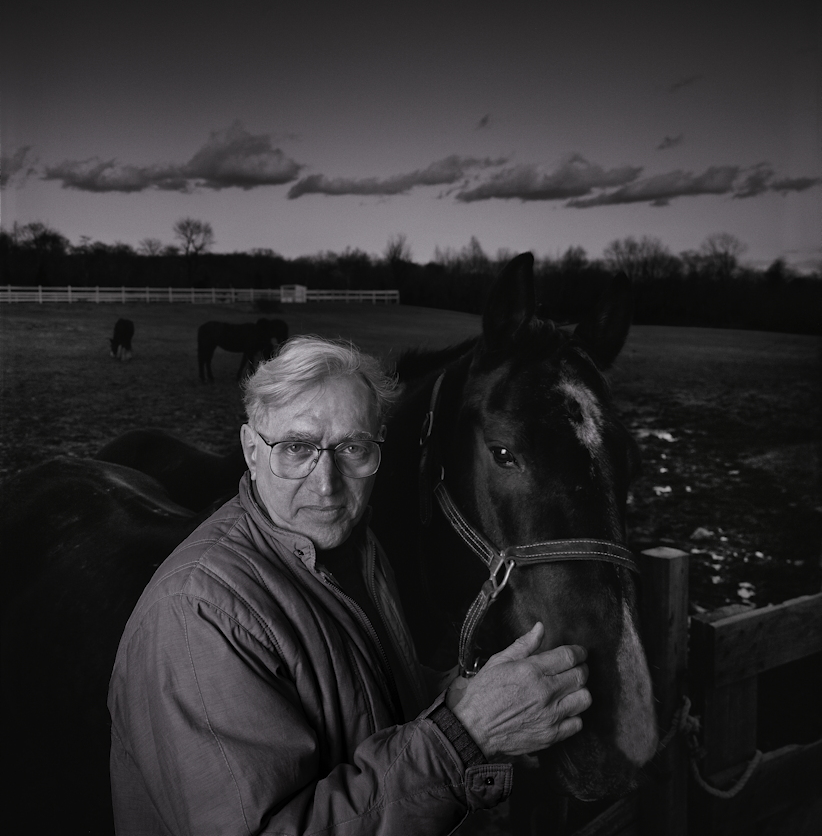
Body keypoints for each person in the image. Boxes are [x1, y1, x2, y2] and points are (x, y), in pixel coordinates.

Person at [108, 336, 592, 835]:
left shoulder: (355, 548)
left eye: (352, 448)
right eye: (296, 448)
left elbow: (362, 701)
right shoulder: (198, 614)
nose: (327, 484)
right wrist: (464, 735)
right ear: (252, 452)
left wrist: (468, 694)